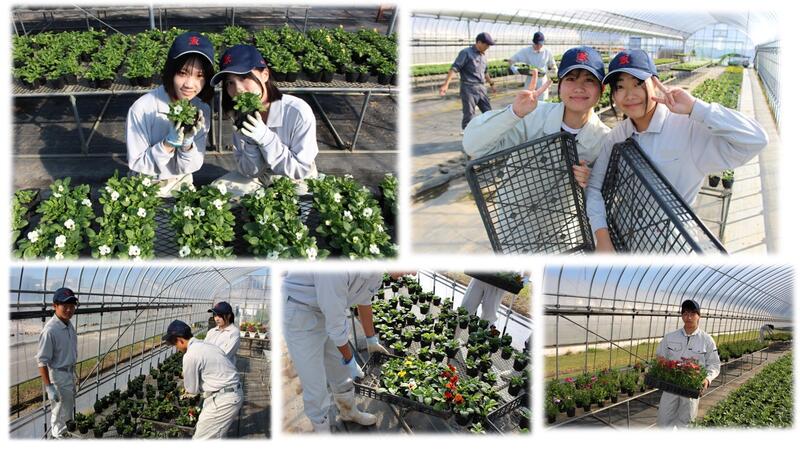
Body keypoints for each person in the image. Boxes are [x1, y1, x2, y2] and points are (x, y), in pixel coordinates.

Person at [586, 49, 769, 252]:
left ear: (656, 83)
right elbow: (595, 187)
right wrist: (602, 238)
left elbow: (756, 139)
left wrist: (697, 108)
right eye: (620, 87)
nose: (629, 95)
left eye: (637, 83)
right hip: (620, 237)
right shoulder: (617, 135)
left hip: (669, 245)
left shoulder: (688, 128)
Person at [464, 46, 611, 188]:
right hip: (515, 205)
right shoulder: (532, 115)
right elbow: (474, 147)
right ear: (559, 85)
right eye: (571, 79)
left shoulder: (605, 139)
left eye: (589, 80)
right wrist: (513, 114)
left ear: (602, 89)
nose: (579, 88)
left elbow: (606, 187)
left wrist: (591, 179)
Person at [283, 272, 409, 432]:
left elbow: (364, 299)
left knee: (340, 370)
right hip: (301, 313)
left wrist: (371, 339)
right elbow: (336, 325)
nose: (412, 273)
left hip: (329, 309)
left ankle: (348, 412)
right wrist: (350, 360)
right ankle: (322, 430)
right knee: (314, 383)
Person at [211, 44, 319, 197]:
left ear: (265, 74)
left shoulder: (298, 112)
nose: (238, 89)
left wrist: (266, 138)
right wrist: (250, 143)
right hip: (261, 177)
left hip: (296, 178)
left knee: (294, 205)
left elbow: (299, 170)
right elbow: (250, 171)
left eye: (244, 77)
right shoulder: (239, 113)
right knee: (217, 192)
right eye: (230, 82)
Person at [127, 31, 215, 197]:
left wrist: (187, 146)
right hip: (145, 185)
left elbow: (192, 165)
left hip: (181, 182)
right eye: (182, 73)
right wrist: (167, 144)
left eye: (200, 76)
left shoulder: (201, 110)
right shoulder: (142, 108)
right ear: (171, 71)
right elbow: (138, 164)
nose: (190, 84)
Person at [163, 320, 243, 439]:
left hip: (224, 399)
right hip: (229, 394)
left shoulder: (190, 355)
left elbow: (192, 389)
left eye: (175, 344)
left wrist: (188, 377)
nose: (177, 348)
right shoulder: (206, 345)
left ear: (180, 340)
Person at [655, 299, 720, 428]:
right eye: (685, 314)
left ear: (699, 316)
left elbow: (714, 364)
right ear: (682, 316)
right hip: (671, 386)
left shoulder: (706, 340)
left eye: (692, 314)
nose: (688, 317)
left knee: (686, 423)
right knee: (664, 420)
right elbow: (660, 356)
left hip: (691, 388)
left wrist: (707, 379)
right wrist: (663, 364)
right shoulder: (670, 337)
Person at [36, 288, 79, 439]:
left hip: (69, 374)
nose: (69, 310)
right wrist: (49, 387)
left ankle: (65, 435)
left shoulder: (68, 325)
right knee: (59, 414)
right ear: (55, 306)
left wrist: (74, 373)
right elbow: (42, 361)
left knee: (67, 411)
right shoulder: (50, 330)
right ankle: (58, 438)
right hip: (59, 377)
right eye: (65, 306)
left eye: (72, 306)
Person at [439, 32, 497, 131]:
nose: (488, 47)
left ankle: (491, 131)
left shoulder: (483, 56)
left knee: (488, 111)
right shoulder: (466, 53)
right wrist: (446, 85)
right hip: (468, 88)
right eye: (486, 44)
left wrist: (491, 84)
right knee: (469, 113)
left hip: (481, 88)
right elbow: (454, 68)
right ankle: (467, 133)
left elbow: (485, 72)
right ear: (479, 42)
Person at [507, 31, 556, 101]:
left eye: (540, 44)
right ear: (533, 42)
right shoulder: (526, 51)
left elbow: (552, 65)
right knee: (528, 98)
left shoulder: (547, 51)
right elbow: (511, 60)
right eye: (537, 44)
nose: (539, 46)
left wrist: (553, 75)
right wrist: (516, 69)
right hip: (530, 79)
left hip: (542, 80)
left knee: (542, 100)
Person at [204, 301, 241, 366]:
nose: (216, 319)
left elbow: (225, 355)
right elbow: (203, 348)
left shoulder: (234, 333)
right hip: (207, 367)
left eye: (220, 315)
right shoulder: (212, 331)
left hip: (223, 369)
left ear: (229, 316)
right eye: (215, 315)